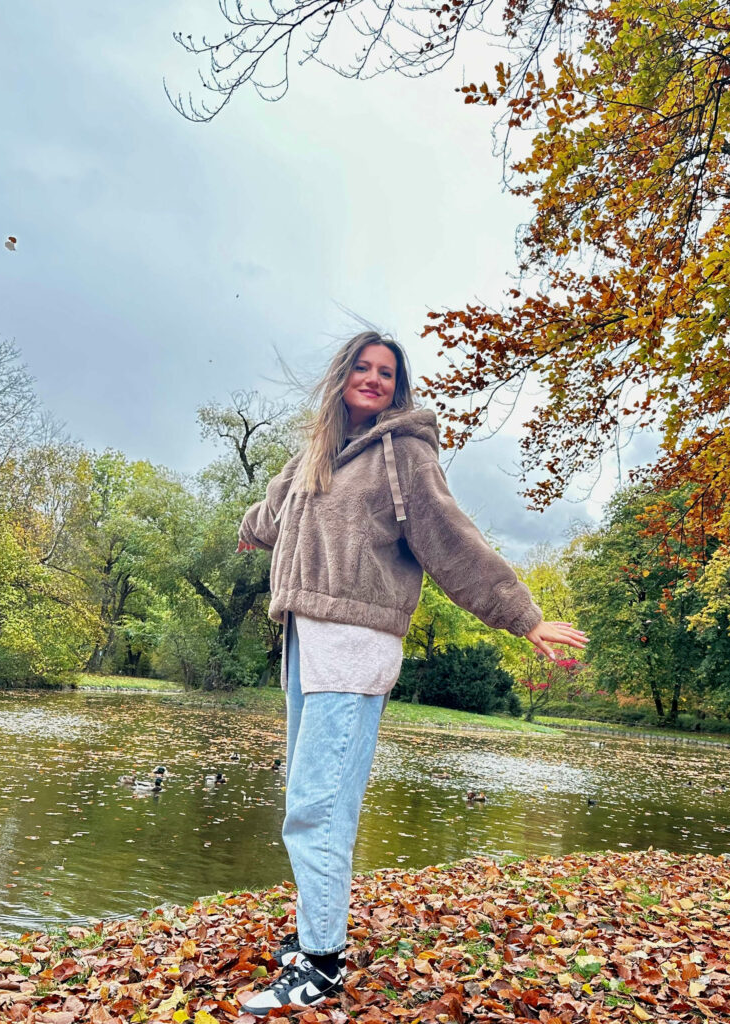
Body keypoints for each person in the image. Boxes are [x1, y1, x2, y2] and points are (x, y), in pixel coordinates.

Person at [235, 330, 588, 1014]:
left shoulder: (402, 452)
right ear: (341, 377)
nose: (373, 380)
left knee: (319, 805)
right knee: (303, 796)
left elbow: (451, 539)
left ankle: (323, 964)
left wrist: (522, 615)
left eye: (386, 373)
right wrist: (251, 528)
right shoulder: (315, 454)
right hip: (306, 640)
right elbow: (275, 514)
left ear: (399, 388)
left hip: (356, 643)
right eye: (362, 368)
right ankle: (314, 933)